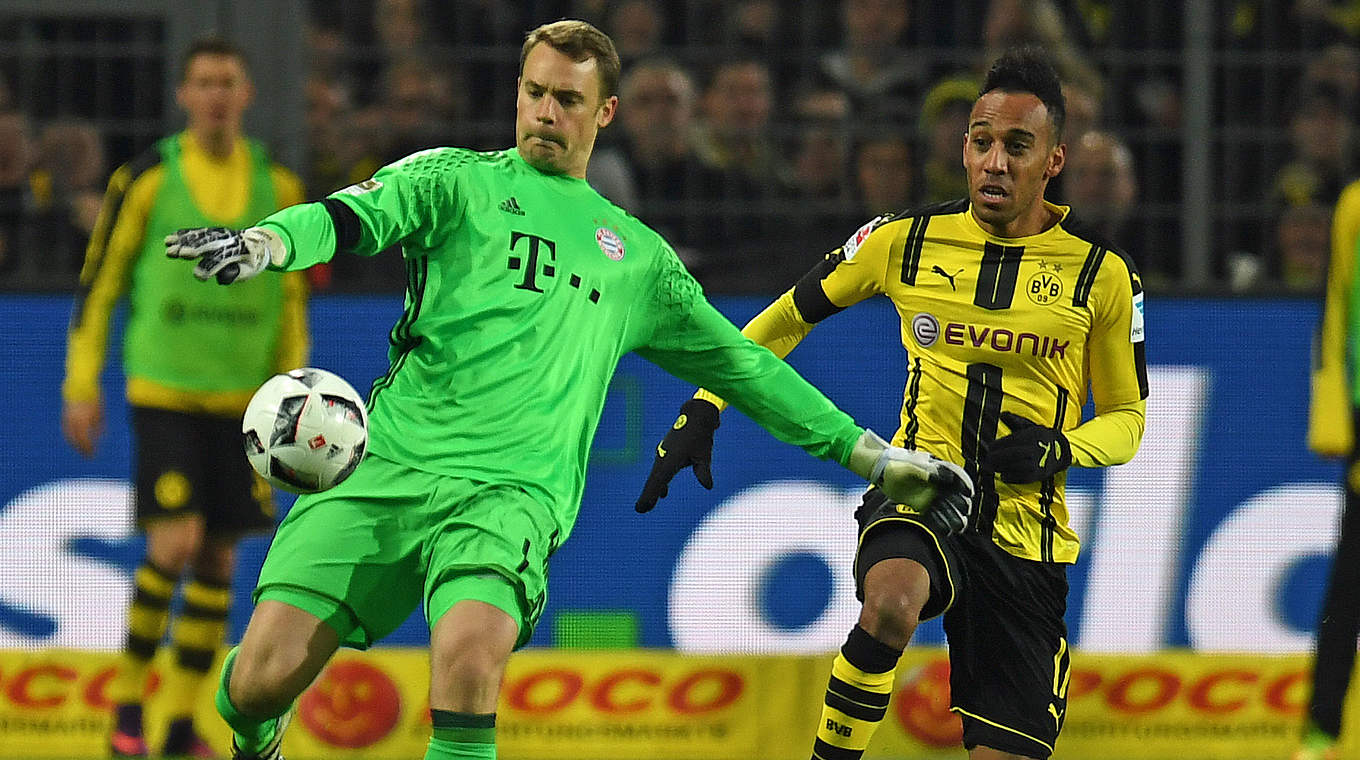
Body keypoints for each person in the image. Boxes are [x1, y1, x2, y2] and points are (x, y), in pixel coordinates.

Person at [161, 20, 973, 760]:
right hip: (387, 463)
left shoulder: (639, 262)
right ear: (518, 93)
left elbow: (746, 368)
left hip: (512, 493)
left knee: (470, 662)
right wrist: (265, 242)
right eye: (535, 93)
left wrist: (869, 456)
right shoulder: (452, 182)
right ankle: (257, 727)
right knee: (258, 680)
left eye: (568, 99)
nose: (547, 112)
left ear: (605, 112)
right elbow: (345, 217)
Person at [637, 47, 1147, 760]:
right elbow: (785, 317)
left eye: (1017, 146)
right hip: (924, 487)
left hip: (1029, 537)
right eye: (981, 142)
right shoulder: (900, 241)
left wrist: (1064, 448)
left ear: (1053, 161)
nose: (995, 162)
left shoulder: (1103, 275)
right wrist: (706, 401)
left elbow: (1128, 419)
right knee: (891, 602)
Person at [60, 37, 308, 759]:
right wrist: (82, 385)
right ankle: (127, 709)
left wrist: (291, 385)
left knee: (220, 564)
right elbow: (100, 283)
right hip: (165, 390)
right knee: (176, 542)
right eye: (203, 82)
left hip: (245, 402)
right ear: (183, 95)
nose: (216, 95)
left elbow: (290, 300)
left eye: (228, 81)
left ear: (247, 94)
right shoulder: (145, 178)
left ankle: (177, 723)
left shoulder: (279, 186)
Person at [1296, 172, 1360, 760]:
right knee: (1347, 592)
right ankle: (1320, 731)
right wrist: (1334, 417)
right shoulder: (1355, 205)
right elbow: (1338, 313)